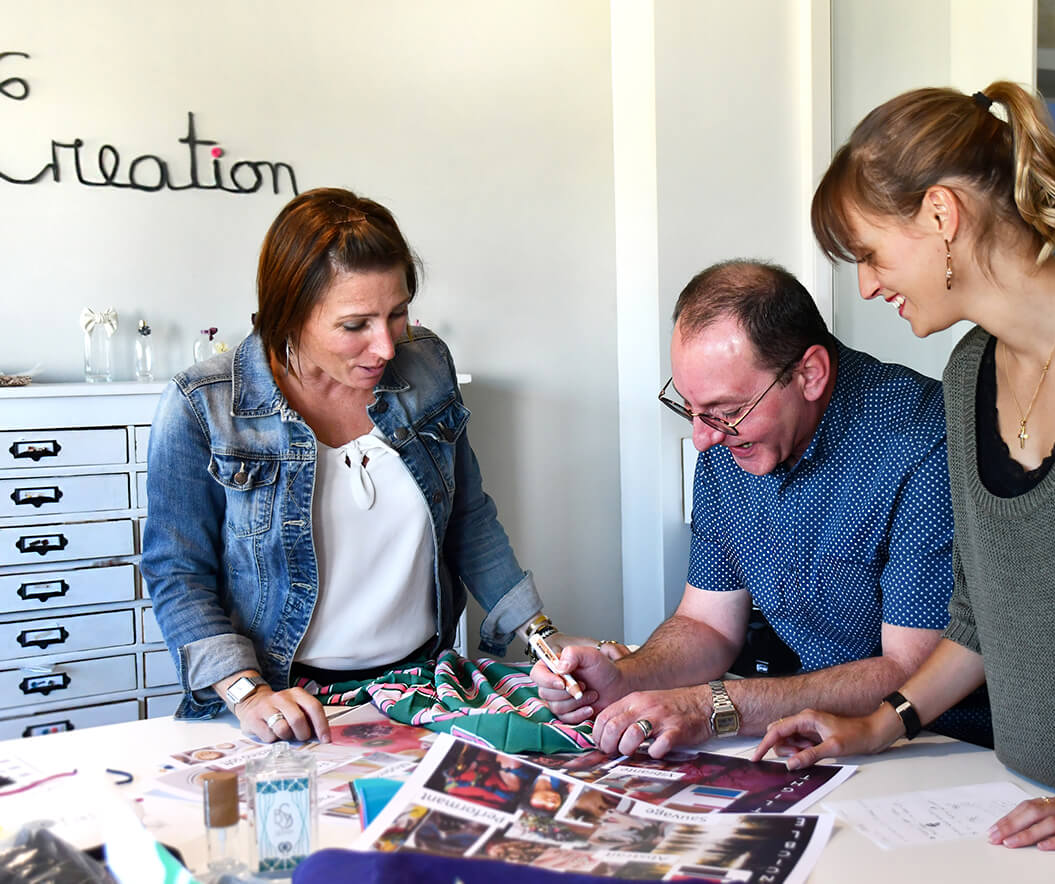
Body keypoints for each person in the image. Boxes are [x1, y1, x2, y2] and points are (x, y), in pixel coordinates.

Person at [754, 81, 1055, 849]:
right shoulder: (967, 376)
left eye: (870, 253)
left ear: (940, 215)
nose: (866, 284)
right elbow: (979, 615)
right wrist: (881, 725)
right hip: (1035, 811)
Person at [143, 187, 565, 744]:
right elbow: (177, 572)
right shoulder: (204, 405)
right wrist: (248, 693)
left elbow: (468, 518)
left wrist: (544, 640)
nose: (386, 346)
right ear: (290, 315)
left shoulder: (427, 366)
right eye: (355, 325)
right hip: (285, 698)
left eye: (398, 313)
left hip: (422, 684)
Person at [535, 260, 988, 756]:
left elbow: (911, 670)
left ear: (809, 374)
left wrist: (712, 707)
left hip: (943, 746)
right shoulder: (727, 442)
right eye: (690, 409)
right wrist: (624, 676)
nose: (702, 439)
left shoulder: (922, 439)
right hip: (812, 732)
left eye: (728, 411)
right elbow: (707, 624)